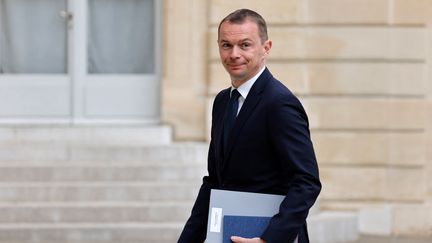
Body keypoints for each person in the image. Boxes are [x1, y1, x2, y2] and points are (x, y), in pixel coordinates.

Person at [178, 9, 321, 243]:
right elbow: (215, 181)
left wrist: (268, 239)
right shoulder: (223, 101)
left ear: (266, 48)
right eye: (226, 45)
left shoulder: (279, 103)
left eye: (245, 45)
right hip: (228, 232)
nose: (234, 54)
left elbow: (307, 182)